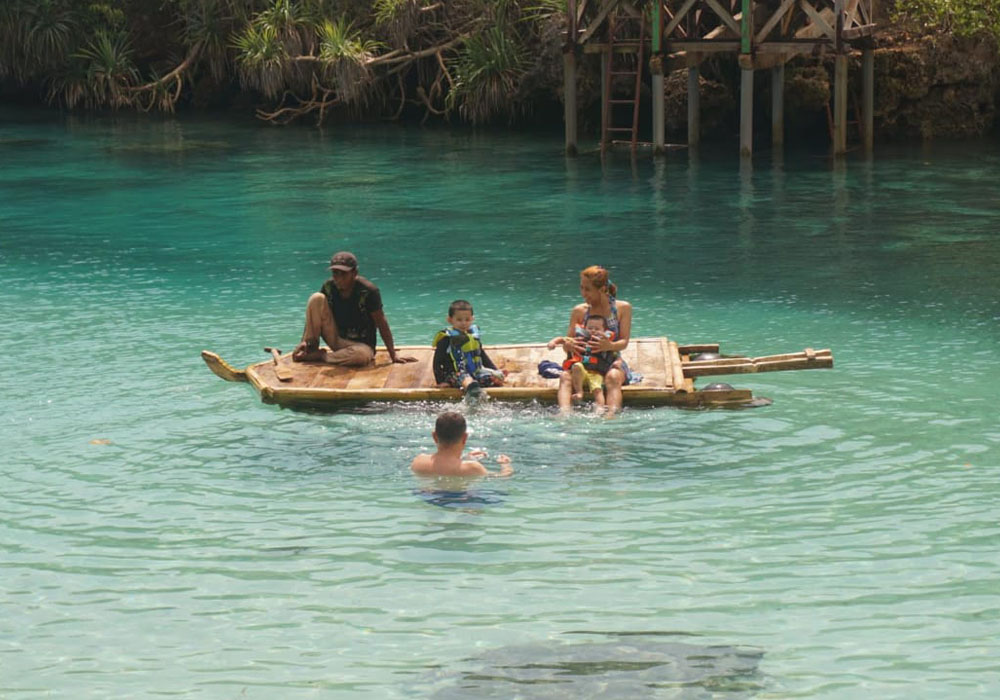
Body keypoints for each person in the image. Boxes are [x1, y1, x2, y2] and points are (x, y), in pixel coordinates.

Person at [292, 251, 417, 366]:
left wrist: (393, 354)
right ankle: (310, 348)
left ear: (354, 273)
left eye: (344, 274)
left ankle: (323, 356)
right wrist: (305, 341)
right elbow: (316, 316)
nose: (338, 278)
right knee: (316, 298)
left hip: (361, 346)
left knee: (361, 356)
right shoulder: (329, 287)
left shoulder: (368, 291)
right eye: (335, 273)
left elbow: (381, 322)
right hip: (336, 338)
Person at [556, 265, 635, 415]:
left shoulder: (622, 308)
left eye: (587, 289)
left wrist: (609, 345)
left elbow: (624, 342)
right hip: (585, 362)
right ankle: (564, 415)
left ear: (602, 289)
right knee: (564, 376)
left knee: (612, 377)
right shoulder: (579, 311)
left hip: (610, 360)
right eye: (581, 288)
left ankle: (611, 416)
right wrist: (569, 346)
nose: (583, 294)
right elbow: (567, 344)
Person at [432, 300, 507, 398]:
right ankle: (473, 390)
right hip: (455, 374)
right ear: (450, 320)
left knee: (493, 378)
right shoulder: (446, 339)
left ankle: (475, 386)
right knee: (464, 377)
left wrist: (495, 371)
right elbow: (437, 362)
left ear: (472, 319)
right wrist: (441, 381)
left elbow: (482, 356)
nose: (463, 323)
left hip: (475, 373)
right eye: (459, 320)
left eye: (467, 320)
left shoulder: (473, 336)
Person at [410, 412, 513, 478]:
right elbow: (502, 477)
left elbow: (444, 465)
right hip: (459, 501)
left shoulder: (418, 461)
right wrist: (505, 465)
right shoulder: (473, 468)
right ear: (465, 438)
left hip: (428, 499)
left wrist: (466, 457)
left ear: (434, 436)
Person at [548, 314, 617, 409]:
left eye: (597, 329)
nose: (593, 330)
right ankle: (577, 394)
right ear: (585, 328)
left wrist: (608, 343)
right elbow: (561, 339)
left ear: (603, 330)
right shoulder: (579, 338)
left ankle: (600, 409)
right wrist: (552, 343)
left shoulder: (604, 341)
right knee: (577, 366)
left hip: (596, 373)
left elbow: (614, 350)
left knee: (597, 390)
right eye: (590, 328)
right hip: (579, 373)